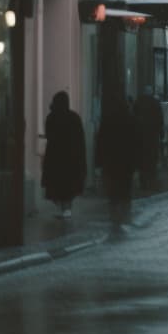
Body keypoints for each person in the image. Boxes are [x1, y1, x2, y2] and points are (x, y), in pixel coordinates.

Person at [94, 97, 140, 232]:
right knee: (125, 189)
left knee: (113, 190)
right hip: (127, 162)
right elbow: (137, 143)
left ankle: (115, 217)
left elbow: (101, 142)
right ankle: (125, 215)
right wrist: (136, 163)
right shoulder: (132, 120)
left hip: (111, 162)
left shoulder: (107, 120)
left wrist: (99, 162)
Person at [41, 90, 87, 218]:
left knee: (57, 187)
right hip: (71, 160)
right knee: (69, 188)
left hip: (55, 159)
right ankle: (67, 210)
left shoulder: (51, 117)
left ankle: (63, 210)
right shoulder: (74, 118)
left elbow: (49, 135)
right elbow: (80, 141)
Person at [133, 85, 164, 190]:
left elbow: (134, 118)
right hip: (152, 136)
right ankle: (151, 180)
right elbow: (160, 120)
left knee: (142, 159)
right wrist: (161, 133)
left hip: (141, 136)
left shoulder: (138, 102)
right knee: (152, 158)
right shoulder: (155, 103)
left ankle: (143, 180)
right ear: (151, 92)